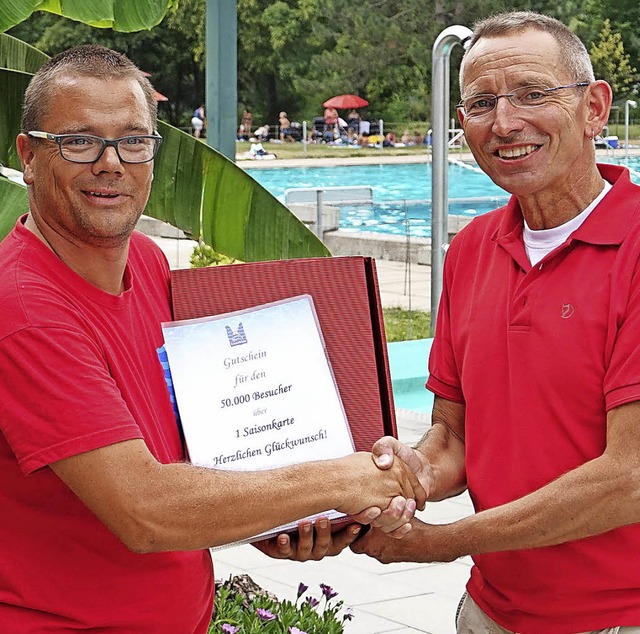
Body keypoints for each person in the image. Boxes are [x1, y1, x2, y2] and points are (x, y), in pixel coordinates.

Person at [0, 44, 427, 632]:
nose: (110, 163)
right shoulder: (24, 310)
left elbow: (189, 452)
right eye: (78, 141)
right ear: (28, 154)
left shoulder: (147, 264)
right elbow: (145, 509)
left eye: (132, 140)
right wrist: (342, 477)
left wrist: (281, 516)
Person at [273, 11, 640, 633]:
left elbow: (628, 477)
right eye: (481, 102)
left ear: (594, 108)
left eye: (532, 94)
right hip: (492, 612)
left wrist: (437, 542)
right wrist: (395, 481)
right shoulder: (473, 247)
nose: (505, 123)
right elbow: (452, 439)